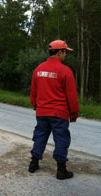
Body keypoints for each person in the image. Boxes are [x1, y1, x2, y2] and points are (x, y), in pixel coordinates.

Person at [28, 40, 79, 180]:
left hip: (42, 112)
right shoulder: (65, 71)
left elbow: (33, 92)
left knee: (40, 136)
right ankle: (61, 170)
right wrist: (73, 113)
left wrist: (36, 106)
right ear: (59, 52)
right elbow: (71, 95)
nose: (66, 55)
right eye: (65, 52)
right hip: (59, 113)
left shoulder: (38, 69)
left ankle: (33, 164)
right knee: (61, 139)